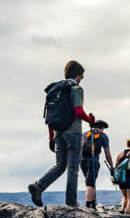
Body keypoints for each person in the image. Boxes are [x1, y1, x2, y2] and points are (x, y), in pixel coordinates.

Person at [29, 61, 98, 207]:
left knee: (60, 165)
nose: (81, 79)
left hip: (58, 133)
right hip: (73, 133)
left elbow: (50, 116)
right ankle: (71, 202)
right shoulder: (76, 88)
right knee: (72, 169)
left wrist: (51, 137)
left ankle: (39, 186)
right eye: (81, 76)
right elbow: (78, 111)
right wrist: (90, 120)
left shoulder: (55, 89)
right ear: (77, 75)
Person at [80, 120, 113, 209]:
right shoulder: (103, 136)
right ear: (102, 127)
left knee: (90, 181)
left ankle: (93, 203)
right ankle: (88, 205)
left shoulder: (85, 134)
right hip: (93, 161)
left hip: (82, 161)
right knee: (90, 184)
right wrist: (111, 166)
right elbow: (107, 153)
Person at [114, 138, 130, 213]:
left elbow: (116, 166)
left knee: (125, 196)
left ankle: (122, 209)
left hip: (120, 177)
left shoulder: (121, 154)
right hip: (129, 176)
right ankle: (128, 214)